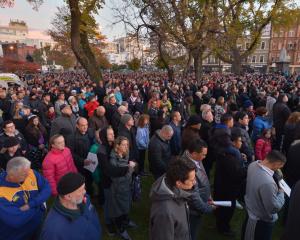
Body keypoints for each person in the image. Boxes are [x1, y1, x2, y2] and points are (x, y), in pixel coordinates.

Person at [0, 157, 51, 240]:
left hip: (38, 226)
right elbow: (16, 220)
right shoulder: (1, 193)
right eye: (24, 174)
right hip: (17, 236)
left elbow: (47, 188)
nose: (28, 175)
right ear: (11, 175)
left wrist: (31, 205)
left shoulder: (29, 172)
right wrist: (40, 205)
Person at [40, 172, 102, 240]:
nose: (84, 192)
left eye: (84, 188)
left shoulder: (84, 199)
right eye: (80, 190)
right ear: (68, 196)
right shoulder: (53, 230)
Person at [242, 150, 286, 240]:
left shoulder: (253, 165)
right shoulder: (268, 183)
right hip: (260, 221)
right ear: (276, 163)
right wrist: (281, 192)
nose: (280, 168)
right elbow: (273, 207)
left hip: (251, 209)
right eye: (280, 166)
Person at [149, 158, 196, 240]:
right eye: (192, 180)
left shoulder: (173, 186)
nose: (195, 182)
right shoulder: (165, 212)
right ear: (178, 183)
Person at [214, 132, 247, 236]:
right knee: (226, 210)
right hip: (227, 190)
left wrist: (241, 159)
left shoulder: (228, 153)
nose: (241, 143)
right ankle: (224, 229)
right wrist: (248, 169)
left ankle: (221, 224)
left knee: (223, 209)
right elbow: (237, 174)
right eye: (240, 140)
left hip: (222, 187)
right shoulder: (230, 158)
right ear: (233, 142)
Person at [182, 138, 215, 240]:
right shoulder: (186, 169)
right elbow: (193, 197)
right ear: (194, 153)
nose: (205, 157)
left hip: (201, 204)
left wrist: (208, 196)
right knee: (191, 234)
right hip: (193, 211)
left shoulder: (195, 160)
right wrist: (208, 208)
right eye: (203, 154)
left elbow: (203, 176)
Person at [107, 136, 137, 240]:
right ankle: (121, 229)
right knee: (118, 210)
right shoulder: (113, 160)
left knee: (126, 206)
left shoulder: (125, 154)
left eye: (127, 144)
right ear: (117, 146)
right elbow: (117, 179)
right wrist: (130, 169)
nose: (126, 147)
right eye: (123, 145)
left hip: (126, 188)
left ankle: (126, 221)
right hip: (118, 190)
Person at [72, 117, 95, 195]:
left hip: (91, 161)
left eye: (86, 125)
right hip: (81, 164)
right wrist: (82, 161)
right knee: (83, 181)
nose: (85, 127)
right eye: (82, 125)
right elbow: (72, 153)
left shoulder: (90, 132)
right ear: (77, 126)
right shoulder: (73, 137)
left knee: (90, 178)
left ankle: (91, 191)